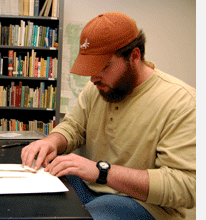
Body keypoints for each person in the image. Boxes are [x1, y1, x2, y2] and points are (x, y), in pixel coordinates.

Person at [21, 12, 195, 220]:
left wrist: (102, 172)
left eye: (103, 67)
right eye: (90, 68)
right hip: (92, 186)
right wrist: (51, 142)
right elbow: (74, 127)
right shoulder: (96, 88)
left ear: (135, 56)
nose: (94, 77)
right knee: (33, 188)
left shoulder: (182, 102)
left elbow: (186, 186)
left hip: (146, 205)